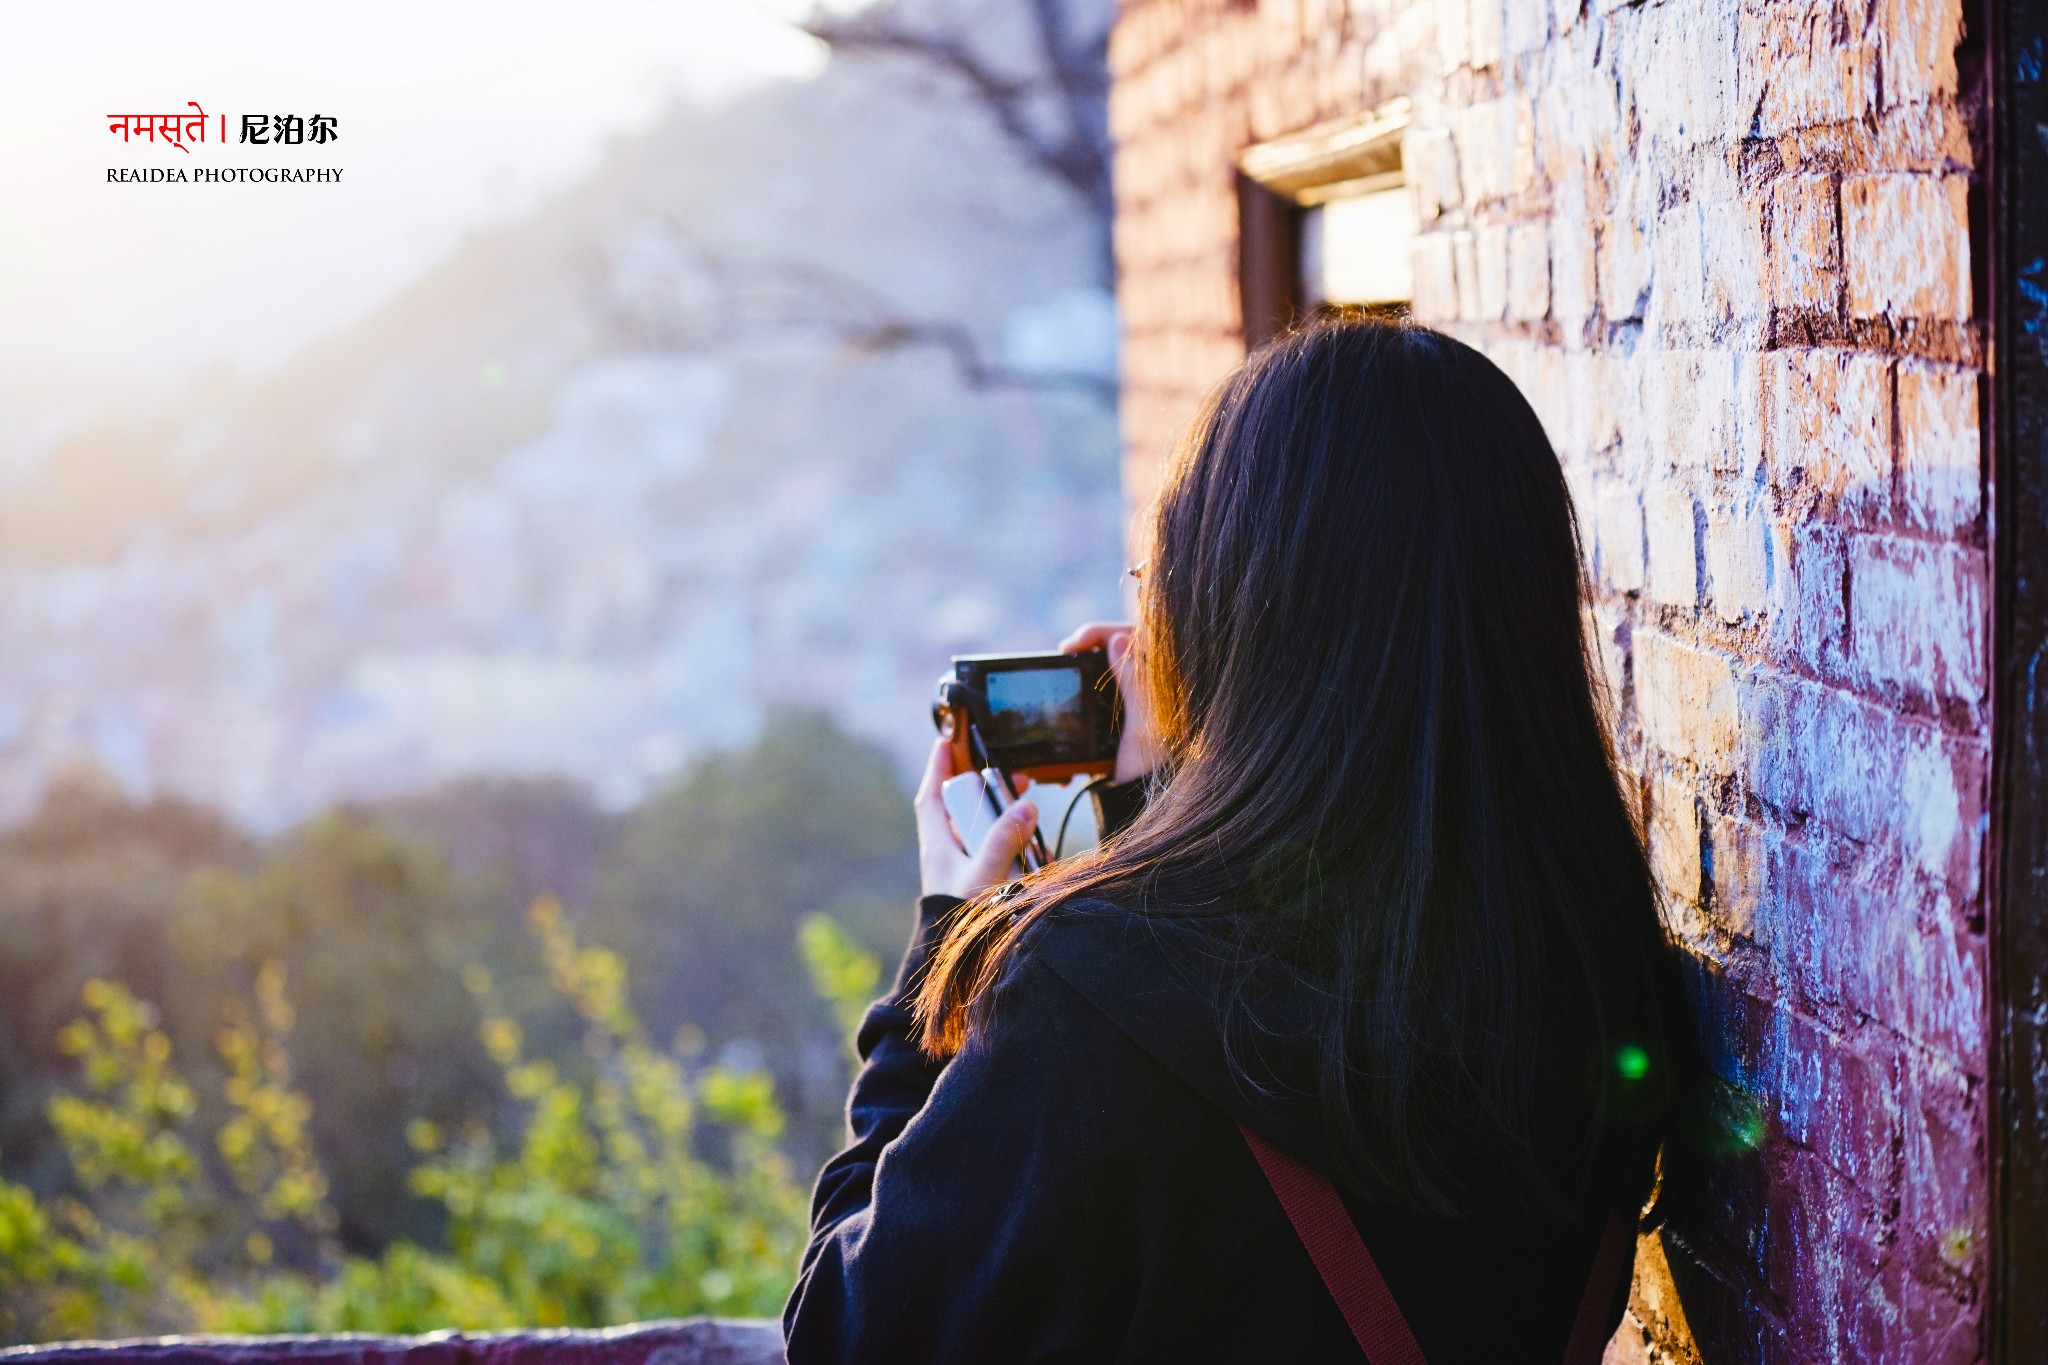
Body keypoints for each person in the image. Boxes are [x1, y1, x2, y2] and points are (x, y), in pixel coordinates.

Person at [782, 315, 1699, 1363]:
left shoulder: (1079, 994)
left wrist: (938, 963)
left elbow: (848, 1338)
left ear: (1226, 617)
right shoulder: (1591, 973)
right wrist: (1159, 803)